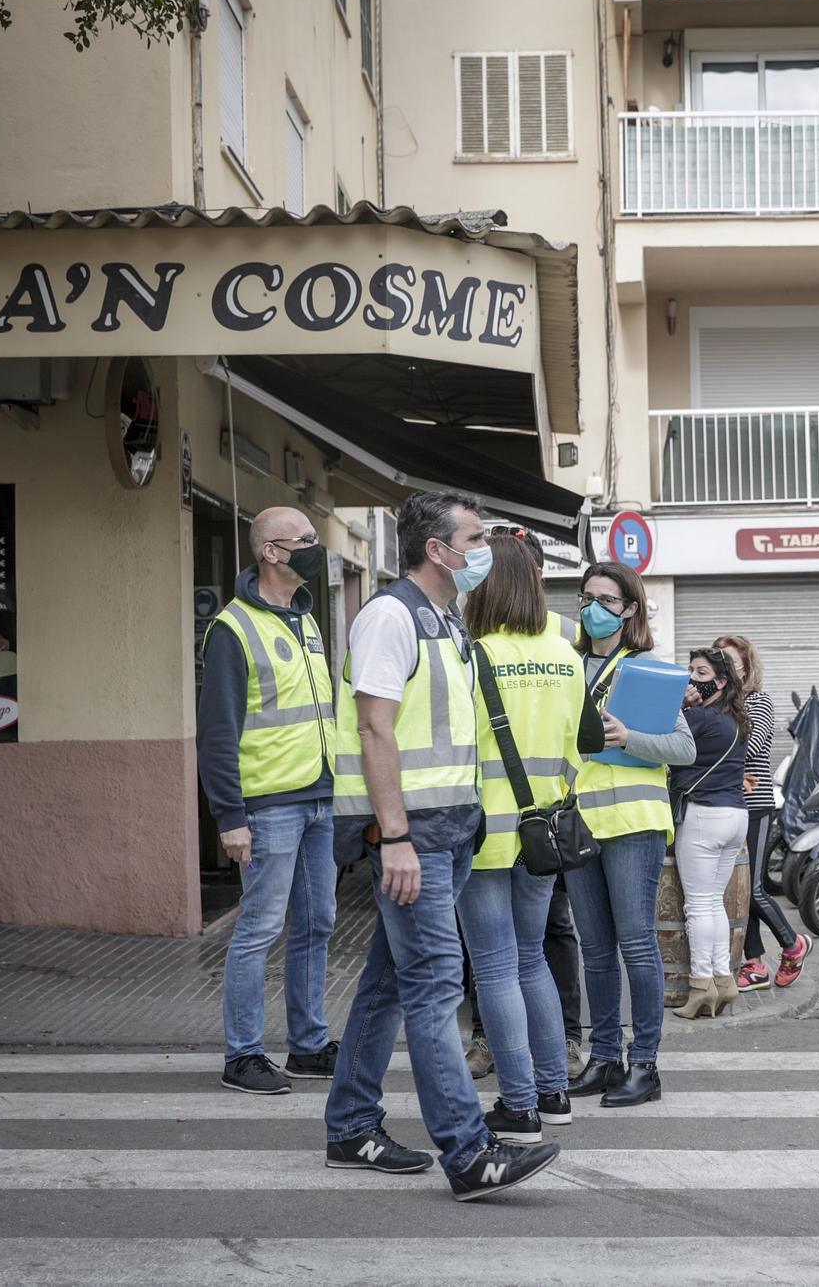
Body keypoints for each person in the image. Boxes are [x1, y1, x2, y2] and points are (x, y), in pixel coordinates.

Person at [323, 490, 558, 1201]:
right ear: (437, 548)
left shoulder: (446, 621)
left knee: (392, 982)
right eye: (476, 537)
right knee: (434, 987)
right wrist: (392, 835)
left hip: (451, 831)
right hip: (413, 836)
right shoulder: (390, 616)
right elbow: (374, 731)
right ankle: (467, 1150)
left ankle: (350, 1125)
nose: (484, 549)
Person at [460, 535, 605, 1143]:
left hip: (486, 833)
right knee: (530, 960)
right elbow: (583, 744)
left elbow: (459, 749)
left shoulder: (475, 655)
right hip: (545, 830)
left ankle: (518, 1106)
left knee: (494, 968)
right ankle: (554, 1092)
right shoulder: (566, 653)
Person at [197, 506, 338, 1096]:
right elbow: (219, 733)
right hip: (269, 805)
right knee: (260, 927)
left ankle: (307, 1045)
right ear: (271, 552)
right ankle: (244, 1054)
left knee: (317, 923)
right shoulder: (232, 629)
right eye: (305, 540)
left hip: (321, 797)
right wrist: (230, 818)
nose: (316, 548)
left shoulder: (306, 620)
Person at [564, 562, 696, 1106]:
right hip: (578, 822)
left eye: (607, 600)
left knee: (637, 945)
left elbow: (684, 750)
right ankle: (604, 1059)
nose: (594, 608)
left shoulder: (647, 670)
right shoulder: (566, 666)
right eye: (587, 597)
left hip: (634, 824)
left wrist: (631, 736)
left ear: (631, 610)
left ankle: (644, 1064)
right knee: (594, 950)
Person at [716, 634, 813, 992]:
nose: (725, 667)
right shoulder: (718, 705)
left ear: (746, 667)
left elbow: (748, 745)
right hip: (725, 804)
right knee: (737, 889)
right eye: (719, 660)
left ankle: (793, 944)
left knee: (753, 888)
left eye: (732, 662)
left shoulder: (757, 702)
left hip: (754, 806)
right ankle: (754, 963)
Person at [673, 646, 750, 1019]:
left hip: (705, 816)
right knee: (714, 903)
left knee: (699, 906)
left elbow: (663, 743)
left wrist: (679, 706)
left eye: (700, 674)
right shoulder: (734, 718)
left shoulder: (699, 719)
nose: (691, 679)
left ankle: (701, 985)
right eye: (689, 671)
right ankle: (724, 980)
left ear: (720, 682)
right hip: (736, 816)